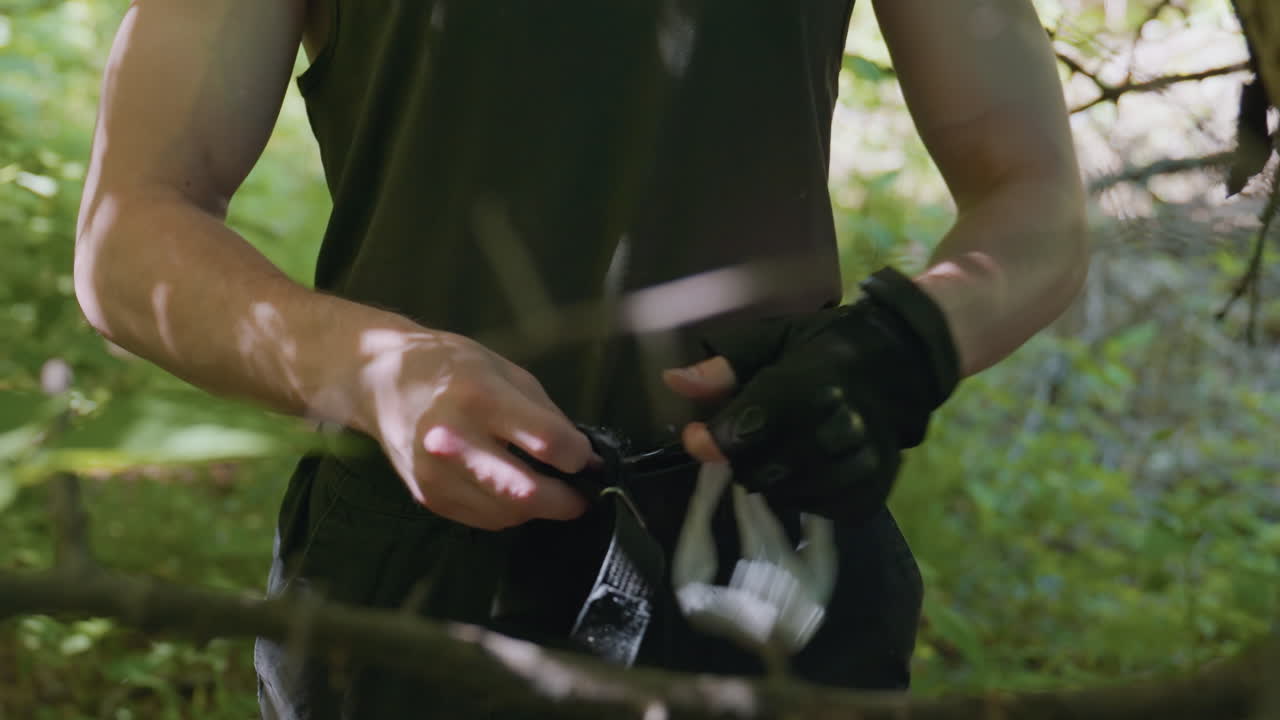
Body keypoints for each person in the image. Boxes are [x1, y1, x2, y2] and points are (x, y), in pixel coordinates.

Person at [75, 0, 1088, 717]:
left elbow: (1032, 195)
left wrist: (897, 346)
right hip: (419, 579)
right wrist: (370, 365)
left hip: (773, 556)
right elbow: (129, 234)